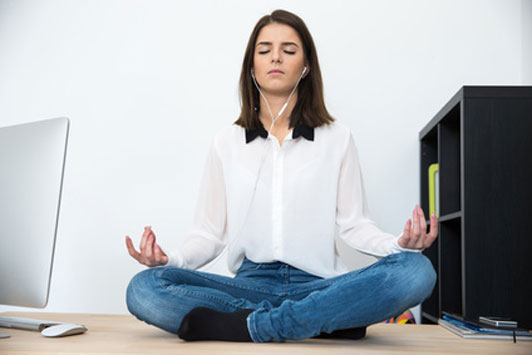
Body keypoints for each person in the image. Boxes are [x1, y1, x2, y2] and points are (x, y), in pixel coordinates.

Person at [125, 9, 438, 343]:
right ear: (251, 66)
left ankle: (252, 326)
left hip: (318, 284)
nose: (276, 57)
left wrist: (397, 246)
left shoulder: (337, 138)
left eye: (289, 50)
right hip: (249, 285)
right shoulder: (226, 143)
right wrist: (169, 259)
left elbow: (355, 225)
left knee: (416, 271)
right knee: (145, 288)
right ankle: (319, 322)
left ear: (305, 66)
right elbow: (209, 233)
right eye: (264, 50)